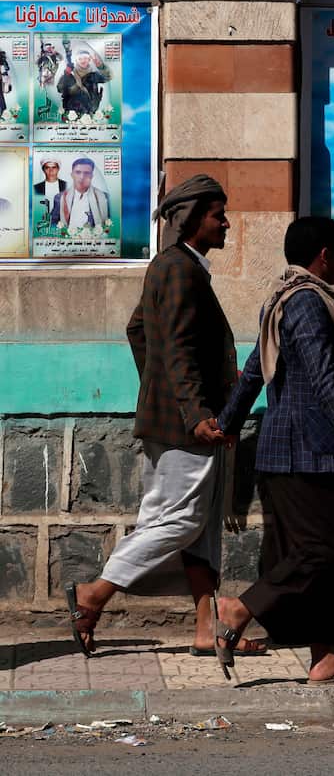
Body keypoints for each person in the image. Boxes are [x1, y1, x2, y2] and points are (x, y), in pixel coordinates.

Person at [65, 175, 266, 661]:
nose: (226, 223)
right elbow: (175, 346)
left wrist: (159, 389)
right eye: (218, 215)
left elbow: (139, 331)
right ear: (194, 219)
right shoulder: (180, 270)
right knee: (179, 521)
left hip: (173, 417)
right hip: (187, 427)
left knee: (198, 526)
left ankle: (206, 628)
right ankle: (93, 595)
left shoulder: (175, 266)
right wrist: (193, 408)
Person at [212, 216, 334, 685]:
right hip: (306, 451)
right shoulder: (309, 302)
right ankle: (239, 608)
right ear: (325, 255)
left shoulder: (281, 300)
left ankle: (325, 658)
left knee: (322, 557)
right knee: (323, 551)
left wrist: (228, 422)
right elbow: (324, 382)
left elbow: (255, 369)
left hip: (292, 451)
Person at [54, 157, 109, 231]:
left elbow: (110, 225)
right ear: (72, 175)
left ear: (91, 176)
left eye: (86, 173)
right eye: (78, 172)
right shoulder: (60, 197)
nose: (82, 177)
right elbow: (53, 223)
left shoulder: (104, 197)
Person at [34, 159, 66, 226]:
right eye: (47, 167)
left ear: (58, 169)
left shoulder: (66, 186)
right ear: (43, 170)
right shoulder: (35, 188)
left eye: (54, 167)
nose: (51, 171)